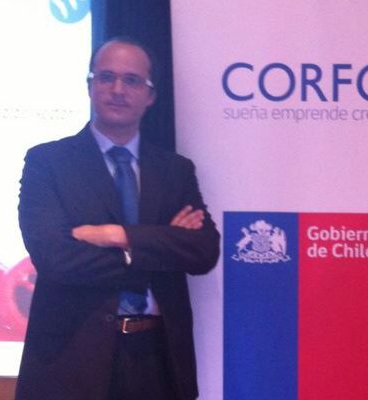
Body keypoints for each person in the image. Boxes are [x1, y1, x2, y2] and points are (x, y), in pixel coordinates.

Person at [15, 37, 220, 400]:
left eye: (132, 80)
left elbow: (203, 251)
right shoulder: (48, 163)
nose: (118, 90)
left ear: (150, 95)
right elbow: (55, 259)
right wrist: (158, 245)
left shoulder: (175, 171)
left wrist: (115, 235)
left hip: (159, 362)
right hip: (71, 364)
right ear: (89, 86)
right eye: (106, 77)